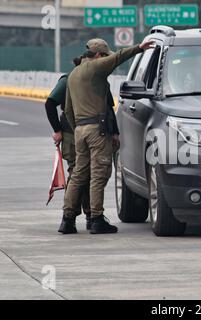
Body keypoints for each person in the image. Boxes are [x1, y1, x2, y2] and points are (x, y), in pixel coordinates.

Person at [60, 38, 154, 234]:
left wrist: (78, 128)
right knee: (98, 175)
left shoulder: (73, 74)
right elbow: (119, 57)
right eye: (104, 56)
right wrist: (139, 48)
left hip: (79, 130)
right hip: (96, 130)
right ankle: (96, 219)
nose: (106, 60)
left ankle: (67, 219)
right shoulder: (95, 68)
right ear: (97, 55)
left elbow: (67, 109)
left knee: (78, 175)